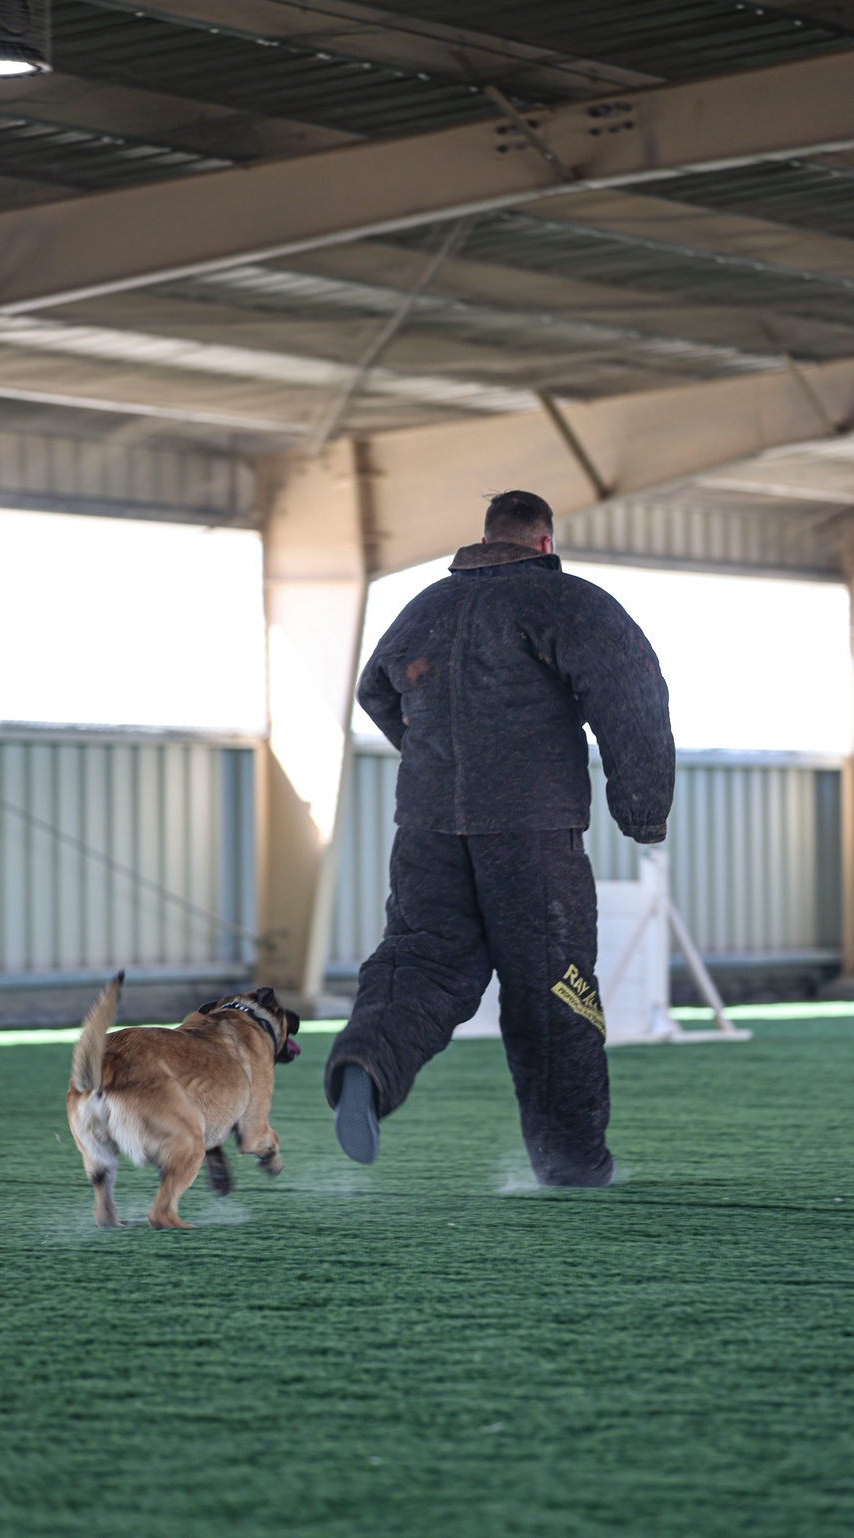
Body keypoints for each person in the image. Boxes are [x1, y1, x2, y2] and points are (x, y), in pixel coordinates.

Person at [326, 490, 675, 1186]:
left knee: (420, 961)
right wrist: (642, 811)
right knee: (554, 989)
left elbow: (375, 690)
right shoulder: (567, 602)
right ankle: (571, 1161)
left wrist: (432, 753)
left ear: (485, 538)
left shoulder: (425, 607)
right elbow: (633, 697)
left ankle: (365, 1064)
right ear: (545, 544)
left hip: (427, 826)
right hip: (530, 831)